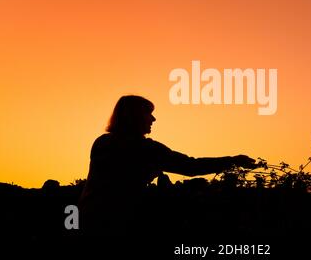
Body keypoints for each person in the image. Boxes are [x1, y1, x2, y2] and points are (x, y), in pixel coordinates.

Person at [79, 95, 255, 236]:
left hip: (87, 220)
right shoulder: (146, 148)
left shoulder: (102, 142)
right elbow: (191, 166)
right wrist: (233, 160)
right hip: (117, 226)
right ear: (135, 117)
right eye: (148, 113)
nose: (153, 119)